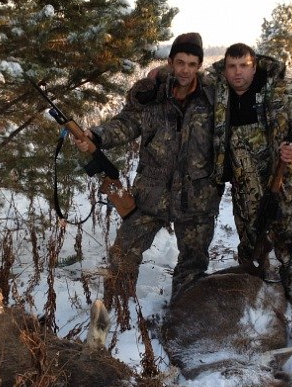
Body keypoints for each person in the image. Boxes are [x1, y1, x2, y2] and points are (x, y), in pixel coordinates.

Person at [73, 33, 223, 328]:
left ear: (200, 66)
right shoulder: (151, 94)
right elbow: (127, 123)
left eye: (192, 64)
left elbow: (248, 76)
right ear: (169, 62)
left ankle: (182, 321)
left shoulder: (214, 96)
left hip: (196, 197)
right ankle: (111, 319)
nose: (185, 70)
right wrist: (97, 136)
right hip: (152, 192)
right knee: (122, 255)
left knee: (192, 265)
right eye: (179, 62)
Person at [207, 43, 292, 315]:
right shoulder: (215, 91)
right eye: (232, 67)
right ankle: (258, 305)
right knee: (251, 242)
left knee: (291, 242)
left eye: (244, 66)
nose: (238, 73)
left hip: (282, 182)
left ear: (254, 66)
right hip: (244, 183)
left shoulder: (284, 90)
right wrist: (158, 73)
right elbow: (181, 74)